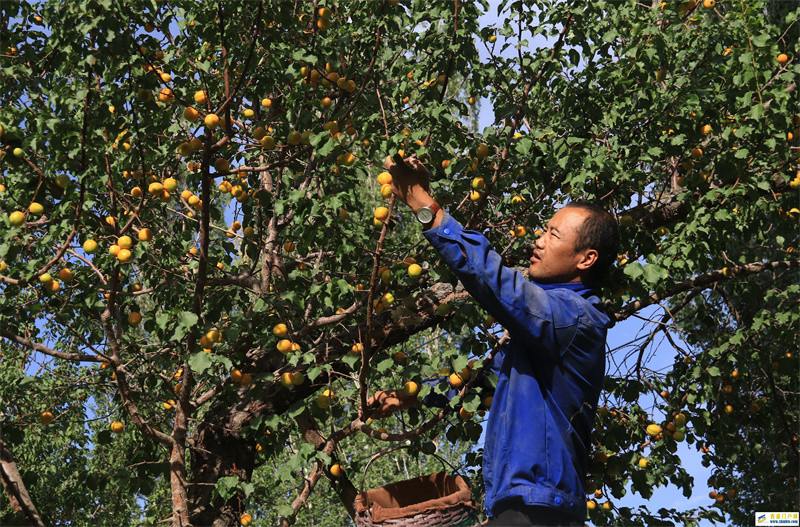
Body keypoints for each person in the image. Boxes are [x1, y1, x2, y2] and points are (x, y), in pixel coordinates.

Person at [367, 154, 620, 526]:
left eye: (553, 235)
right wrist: (411, 395)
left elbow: (500, 286)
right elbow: (477, 384)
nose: (539, 240)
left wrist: (426, 208)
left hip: (539, 512)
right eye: (544, 229)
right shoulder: (539, 336)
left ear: (586, 259)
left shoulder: (575, 319)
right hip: (520, 508)